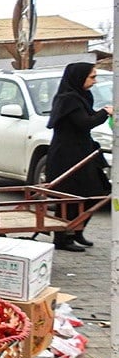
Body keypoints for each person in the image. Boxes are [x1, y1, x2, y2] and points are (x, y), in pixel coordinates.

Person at [44, 62, 113, 251]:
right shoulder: (68, 99)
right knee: (68, 198)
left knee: (97, 193)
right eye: (92, 77)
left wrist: (102, 112)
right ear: (79, 77)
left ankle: (77, 230)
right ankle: (62, 238)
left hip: (84, 152)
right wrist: (105, 113)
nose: (95, 81)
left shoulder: (82, 96)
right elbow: (84, 123)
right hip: (67, 156)